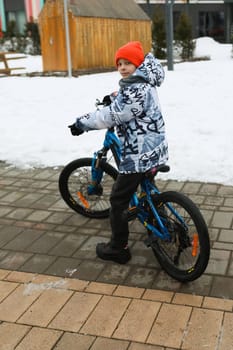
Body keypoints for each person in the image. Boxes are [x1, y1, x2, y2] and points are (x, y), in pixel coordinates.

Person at [69, 41, 168, 264]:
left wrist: (81, 123)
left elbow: (113, 115)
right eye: (120, 64)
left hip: (138, 153)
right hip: (154, 148)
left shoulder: (135, 89)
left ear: (138, 64)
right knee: (147, 187)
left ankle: (118, 247)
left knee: (117, 200)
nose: (123, 67)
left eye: (128, 63)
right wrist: (114, 96)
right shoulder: (144, 82)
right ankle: (160, 216)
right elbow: (127, 97)